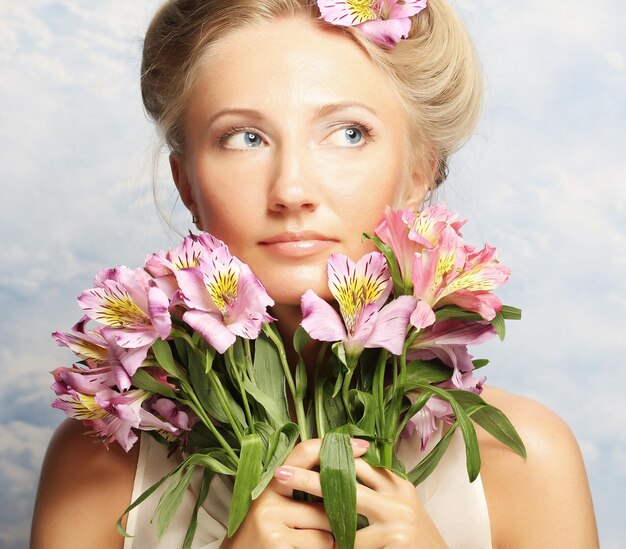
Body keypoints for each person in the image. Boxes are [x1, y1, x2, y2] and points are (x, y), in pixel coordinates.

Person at [31, 1, 598, 547]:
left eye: (348, 133)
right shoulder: (95, 467)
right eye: (243, 138)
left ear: (420, 169)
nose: (292, 191)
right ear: (186, 185)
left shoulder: (525, 460)